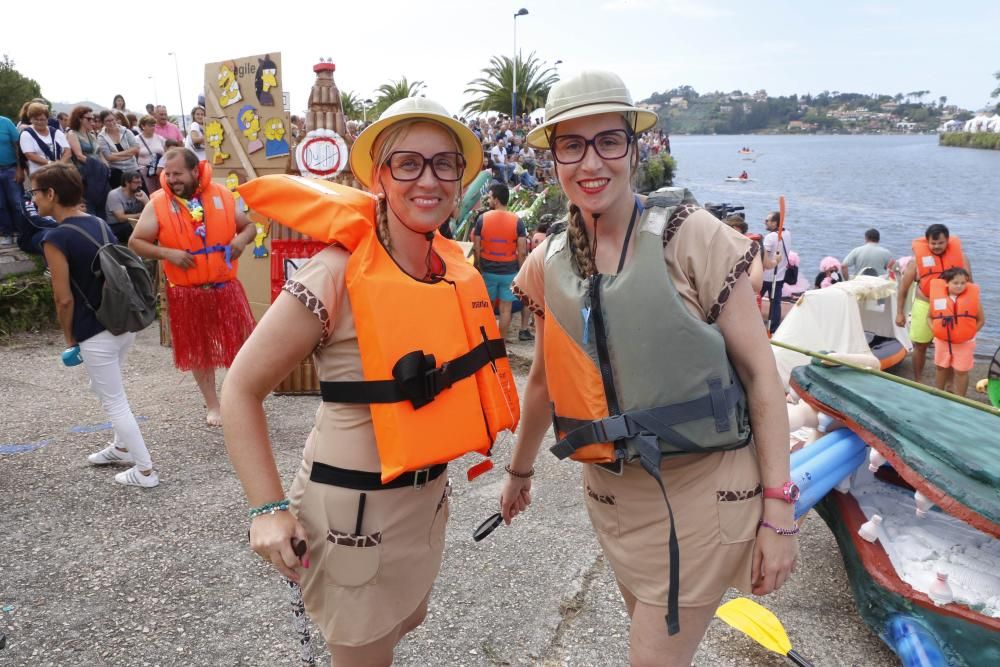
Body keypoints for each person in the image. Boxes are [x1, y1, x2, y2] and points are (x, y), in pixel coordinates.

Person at [500, 70, 797, 667]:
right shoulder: (546, 262)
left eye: (609, 141)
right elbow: (544, 381)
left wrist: (779, 512)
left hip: (702, 495)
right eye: (572, 145)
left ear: (634, 149)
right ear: (553, 157)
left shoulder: (693, 238)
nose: (592, 162)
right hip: (613, 500)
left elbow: (763, 377)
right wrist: (519, 470)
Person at [221, 97, 519, 664]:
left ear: (461, 178)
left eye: (443, 164)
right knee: (363, 650)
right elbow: (240, 388)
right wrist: (266, 508)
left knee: (409, 616)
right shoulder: (334, 271)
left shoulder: (447, 270)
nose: (427, 179)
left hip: (425, 502)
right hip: (352, 516)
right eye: (407, 163)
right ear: (379, 175)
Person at [32, 163, 157, 487]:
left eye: (35, 192)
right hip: (120, 323)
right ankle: (119, 447)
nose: (32, 199)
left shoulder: (55, 238)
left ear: (51, 194)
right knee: (104, 389)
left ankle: (145, 471)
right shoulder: (98, 222)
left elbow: (64, 300)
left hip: (94, 330)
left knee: (114, 400)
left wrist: (70, 339)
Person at [129, 148, 257, 425]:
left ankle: (241, 399)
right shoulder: (158, 203)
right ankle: (213, 405)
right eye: (167, 173)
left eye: (177, 173)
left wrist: (240, 240)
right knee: (200, 352)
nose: (171, 178)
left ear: (194, 172)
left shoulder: (222, 195)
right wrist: (168, 254)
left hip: (225, 286)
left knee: (241, 348)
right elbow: (135, 242)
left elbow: (249, 227)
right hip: (187, 292)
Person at [895, 223, 970, 383]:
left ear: (948, 241)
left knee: (951, 346)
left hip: (950, 307)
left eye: (940, 243)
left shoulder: (960, 257)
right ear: (927, 242)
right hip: (925, 303)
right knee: (920, 345)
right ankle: (918, 381)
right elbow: (903, 288)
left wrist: (970, 313)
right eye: (933, 243)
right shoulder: (917, 261)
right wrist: (900, 312)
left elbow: (970, 285)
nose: (936, 246)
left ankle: (949, 385)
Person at [472, 183, 531, 342]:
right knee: (506, 309)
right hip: (509, 271)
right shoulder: (517, 221)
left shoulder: (482, 219)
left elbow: (477, 247)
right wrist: (520, 270)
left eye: (490, 197)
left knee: (487, 308)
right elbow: (523, 251)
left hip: (488, 270)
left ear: (496, 200)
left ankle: (487, 340)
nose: (489, 200)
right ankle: (501, 342)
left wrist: (478, 264)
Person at [928, 267, 983, 397]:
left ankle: (960, 399)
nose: (960, 286)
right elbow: (929, 317)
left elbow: (981, 320)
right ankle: (939, 394)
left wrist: (970, 333)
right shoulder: (938, 297)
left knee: (961, 371)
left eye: (963, 283)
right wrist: (934, 330)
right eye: (956, 283)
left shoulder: (973, 298)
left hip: (965, 342)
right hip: (942, 341)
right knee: (941, 368)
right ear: (947, 283)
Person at [19, 103, 71, 178]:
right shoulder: (26, 134)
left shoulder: (56, 132)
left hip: (58, 174)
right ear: (30, 119)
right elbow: (30, 155)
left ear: (47, 119)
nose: (39, 122)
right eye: (36, 119)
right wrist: (51, 164)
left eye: (42, 119)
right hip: (38, 175)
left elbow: (67, 151)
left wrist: (60, 165)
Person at [760, 210, 791, 333]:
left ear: (775, 223)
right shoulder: (788, 233)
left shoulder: (770, 237)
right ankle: (774, 329)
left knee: (754, 300)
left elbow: (764, 258)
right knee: (776, 303)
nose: (765, 222)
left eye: (767, 220)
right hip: (780, 276)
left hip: (766, 276)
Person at [97, 110, 140, 189]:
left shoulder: (126, 131)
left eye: (112, 120)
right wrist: (128, 154)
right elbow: (108, 157)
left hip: (133, 168)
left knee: (139, 193)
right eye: (107, 121)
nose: (111, 122)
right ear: (103, 122)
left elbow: (136, 149)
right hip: (116, 172)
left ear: (116, 119)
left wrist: (115, 154)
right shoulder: (101, 137)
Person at [105, 170, 148, 243]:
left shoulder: (140, 192)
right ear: (127, 182)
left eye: (141, 182)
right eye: (136, 183)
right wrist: (141, 215)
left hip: (134, 222)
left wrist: (145, 201)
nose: (140, 185)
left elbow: (152, 210)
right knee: (132, 227)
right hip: (117, 226)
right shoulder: (114, 195)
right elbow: (120, 218)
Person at [0, 114, 23, 246]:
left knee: (17, 203)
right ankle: (6, 233)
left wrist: (20, 168)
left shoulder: (6, 122)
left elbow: (17, 146)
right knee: (0, 205)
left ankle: (22, 233)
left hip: (11, 169)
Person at [135, 115, 166, 194]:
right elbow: (134, 156)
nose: (153, 128)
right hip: (144, 172)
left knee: (161, 192)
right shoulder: (136, 140)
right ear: (143, 126)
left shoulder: (160, 138)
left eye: (154, 125)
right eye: (150, 125)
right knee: (150, 193)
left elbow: (166, 153)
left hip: (159, 171)